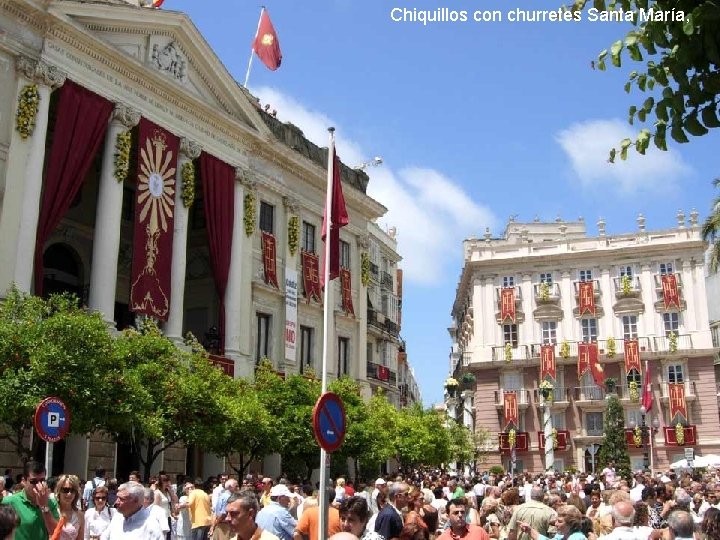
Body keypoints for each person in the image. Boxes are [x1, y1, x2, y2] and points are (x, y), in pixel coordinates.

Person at [2, 460, 59, 540]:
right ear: (24, 481)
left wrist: (44, 506)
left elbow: (55, 532)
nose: (38, 485)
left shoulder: (50, 503)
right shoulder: (9, 502)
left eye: (42, 480)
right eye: (34, 481)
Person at [53, 474, 84, 540]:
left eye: (72, 490)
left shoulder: (80, 515)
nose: (69, 494)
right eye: (65, 490)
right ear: (59, 491)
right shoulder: (52, 511)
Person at [154, 473, 178, 540]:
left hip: (168, 517)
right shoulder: (157, 493)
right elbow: (156, 507)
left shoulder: (167, 492)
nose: (167, 483)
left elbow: (176, 500)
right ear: (161, 482)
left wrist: (171, 491)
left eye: (168, 481)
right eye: (165, 481)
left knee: (168, 537)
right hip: (160, 518)